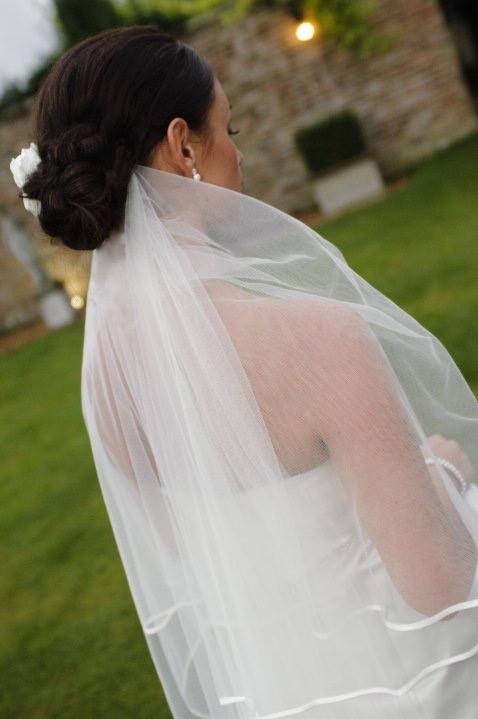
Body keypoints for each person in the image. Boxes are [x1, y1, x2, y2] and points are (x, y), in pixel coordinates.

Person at [10, 24, 478, 719]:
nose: (239, 153)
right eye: (229, 129)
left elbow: (207, 565)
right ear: (183, 146)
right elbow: (440, 586)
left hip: (283, 694)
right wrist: (445, 474)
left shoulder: (106, 377)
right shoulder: (323, 341)